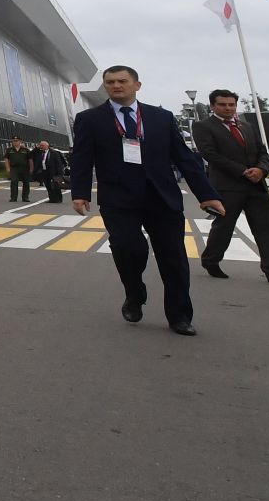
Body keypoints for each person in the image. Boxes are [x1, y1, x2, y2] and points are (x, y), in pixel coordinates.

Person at [70, 65, 224, 336]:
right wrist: (79, 192)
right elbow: (82, 158)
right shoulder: (89, 119)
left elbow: (184, 158)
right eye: (110, 82)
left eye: (122, 81)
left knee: (174, 258)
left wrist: (207, 195)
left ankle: (179, 316)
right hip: (118, 199)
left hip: (162, 198)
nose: (116, 86)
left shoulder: (161, 118)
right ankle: (134, 292)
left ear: (137, 85)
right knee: (128, 248)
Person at [191, 90, 269, 285]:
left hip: (256, 186)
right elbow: (210, 154)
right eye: (223, 104)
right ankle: (211, 260)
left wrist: (261, 169)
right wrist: (243, 171)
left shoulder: (247, 126)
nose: (228, 108)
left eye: (231, 104)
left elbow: (262, 151)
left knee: (265, 229)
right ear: (212, 106)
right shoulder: (203, 126)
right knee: (223, 228)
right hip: (228, 186)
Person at [4, 136, 33, 202]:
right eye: (14, 141)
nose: (15, 142)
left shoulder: (26, 150)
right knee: (14, 182)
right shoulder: (9, 150)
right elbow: (6, 159)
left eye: (17, 141)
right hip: (14, 168)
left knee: (26, 182)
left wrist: (31, 169)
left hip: (24, 168)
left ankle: (25, 197)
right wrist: (8, 168)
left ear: (20, 141)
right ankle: (13, 197)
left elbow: (30, 160)